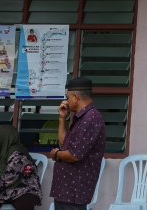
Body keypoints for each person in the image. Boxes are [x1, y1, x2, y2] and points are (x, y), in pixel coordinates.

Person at [49, 77, 107, 210]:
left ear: (75, 97)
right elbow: (65, 146)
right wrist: (62, 118)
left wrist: (56, 154)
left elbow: (75, 155)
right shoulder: (82, 117)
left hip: (74, 190)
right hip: (66, 189)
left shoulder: (91, 118)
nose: (67, 101)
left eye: (68, 97)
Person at [0, 125, 43, 210]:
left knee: (24, 203)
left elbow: (10, 176)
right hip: (2, 189)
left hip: (24, 188)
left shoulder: (17, 152)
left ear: (5, 137)